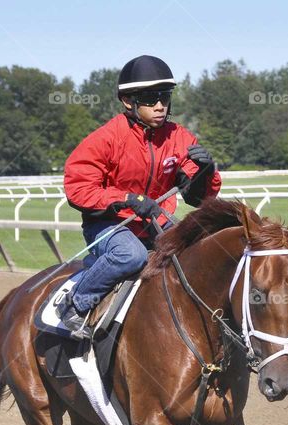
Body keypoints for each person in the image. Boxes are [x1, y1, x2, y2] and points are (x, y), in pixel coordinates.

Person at [59, 55, 221, 340]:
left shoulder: (179, 137)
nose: (160, 105)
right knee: (129, 255)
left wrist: (205, 173)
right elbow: (78, 187)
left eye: (165, 97)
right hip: (111, 225)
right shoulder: (107, 138)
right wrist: (127, 199)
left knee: (202, 249)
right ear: (128, 101)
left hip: (155, 223)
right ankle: (76, 303)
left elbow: (199, 198)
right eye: (150, 98)